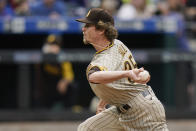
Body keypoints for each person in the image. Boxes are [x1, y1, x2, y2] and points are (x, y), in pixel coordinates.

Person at [75, 8, 169, 131]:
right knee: (87, 128)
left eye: (88, 25)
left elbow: (94, 76)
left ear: (101, 29)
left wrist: (128, 72)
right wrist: (102, 103)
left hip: (144, 111)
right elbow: (118, 81)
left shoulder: (107, 56)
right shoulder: (117, 43)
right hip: (124, 108)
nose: (83, 29)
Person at [34, 34, 77, 109]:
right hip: (47, 87)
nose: (52, 48)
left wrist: (64, 82)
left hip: (59, 87)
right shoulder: (41, 57)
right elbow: (37, 75)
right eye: (50, 45)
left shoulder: (63, 57)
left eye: (55, 45)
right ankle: (41, 111)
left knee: (72, 86)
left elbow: (70, 76)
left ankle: (69, 110)